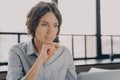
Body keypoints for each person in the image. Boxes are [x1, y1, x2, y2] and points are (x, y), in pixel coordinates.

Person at [6, 1, 77, 80]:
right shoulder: (17, 52)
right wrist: (41, 59)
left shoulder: (65, 53)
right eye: (44, 24)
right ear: (33, 25)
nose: (50, 31)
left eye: (55, 25)